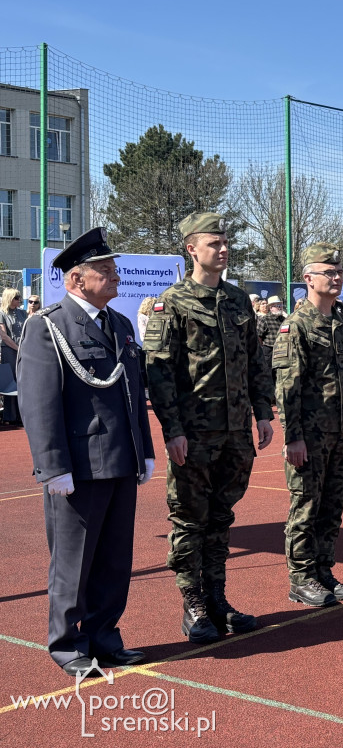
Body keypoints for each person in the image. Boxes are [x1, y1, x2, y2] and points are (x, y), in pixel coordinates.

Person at [18, 228, 155, 675]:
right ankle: (67, 644)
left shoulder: (120, 325)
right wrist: (52, 467)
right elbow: (39, 404)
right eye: (106, 270)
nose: (116, 277)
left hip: (121, 460)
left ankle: (104, 637)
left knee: (115, 560)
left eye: (114, 270)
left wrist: (144, 450)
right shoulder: (47, 326)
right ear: (77, 279)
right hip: (77, 467)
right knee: (73, 563)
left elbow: (133, 394)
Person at [144, 212, 274, 644]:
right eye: (213, 243)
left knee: (221, 517)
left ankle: (217, 598)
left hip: (235, 432)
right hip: (194, 434)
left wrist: (262, 412)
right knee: (189, 519)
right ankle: (193, 603)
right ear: (191, 249)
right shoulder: (172, 303)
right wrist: (173, 430)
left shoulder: (237, 301)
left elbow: (256, 361)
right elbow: (159, 373)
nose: (223, 249)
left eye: (224, 242)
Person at [270, 245, 343, 602]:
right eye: (329, 272)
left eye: (339, 272)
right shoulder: (296, 326)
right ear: (308, 278)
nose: (337, 277)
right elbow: (287, 387)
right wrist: (293, 437)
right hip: (310, 436)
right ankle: (301, 577)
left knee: (332, 508)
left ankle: (324, 571)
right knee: (305, 508)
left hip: (341, 433)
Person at [0, 287, 28, 425]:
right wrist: (18, 349)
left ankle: (22, 415)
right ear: (9, 299)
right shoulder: (1, 314)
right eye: (16, 298)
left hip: (23, 349)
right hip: (9, 351)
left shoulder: (22, 313)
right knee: (11, 383)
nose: (19, 300)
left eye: (19, 297)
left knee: (23, 381)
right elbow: (4, 336)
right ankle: (10, 416)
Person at [256, 295, 286, 373]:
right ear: (271, 307)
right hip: (269, 352)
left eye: (280, 305)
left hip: (283, 351)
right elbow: (258, 336)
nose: (280, 307)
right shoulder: (265, 319)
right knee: (268, 374)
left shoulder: (285, 320)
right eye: (277, 306)